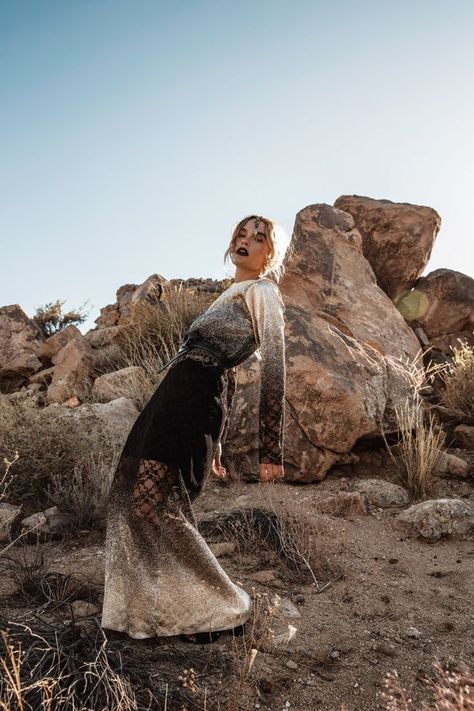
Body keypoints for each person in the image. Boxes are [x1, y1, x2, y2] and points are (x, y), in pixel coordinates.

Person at [101, 214, 288, 643]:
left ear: (269, 253)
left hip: (194, 397)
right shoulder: (230, 295)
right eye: (241, 234)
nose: (246, 241)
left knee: (156, 506)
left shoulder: (264, 292)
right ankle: (147, 613)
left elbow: (274, 366)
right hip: (173, 394)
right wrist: (219, 441)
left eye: (258, 238)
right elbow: (235, 376)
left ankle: (223, 608)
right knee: (129, 495)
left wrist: (271, 449)